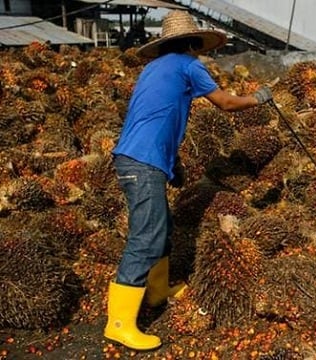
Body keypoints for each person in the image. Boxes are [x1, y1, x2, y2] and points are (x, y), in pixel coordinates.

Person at [105, 10, 273, 351]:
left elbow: (157, 116)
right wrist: (257, 99)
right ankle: (119, 323)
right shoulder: (188, 65)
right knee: (146, 237)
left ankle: (157, 291)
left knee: (161, 226)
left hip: (138, 158)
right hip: (141, 162)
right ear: (194, 43)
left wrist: (173, 161)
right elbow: (224, 103)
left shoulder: (154, 68)